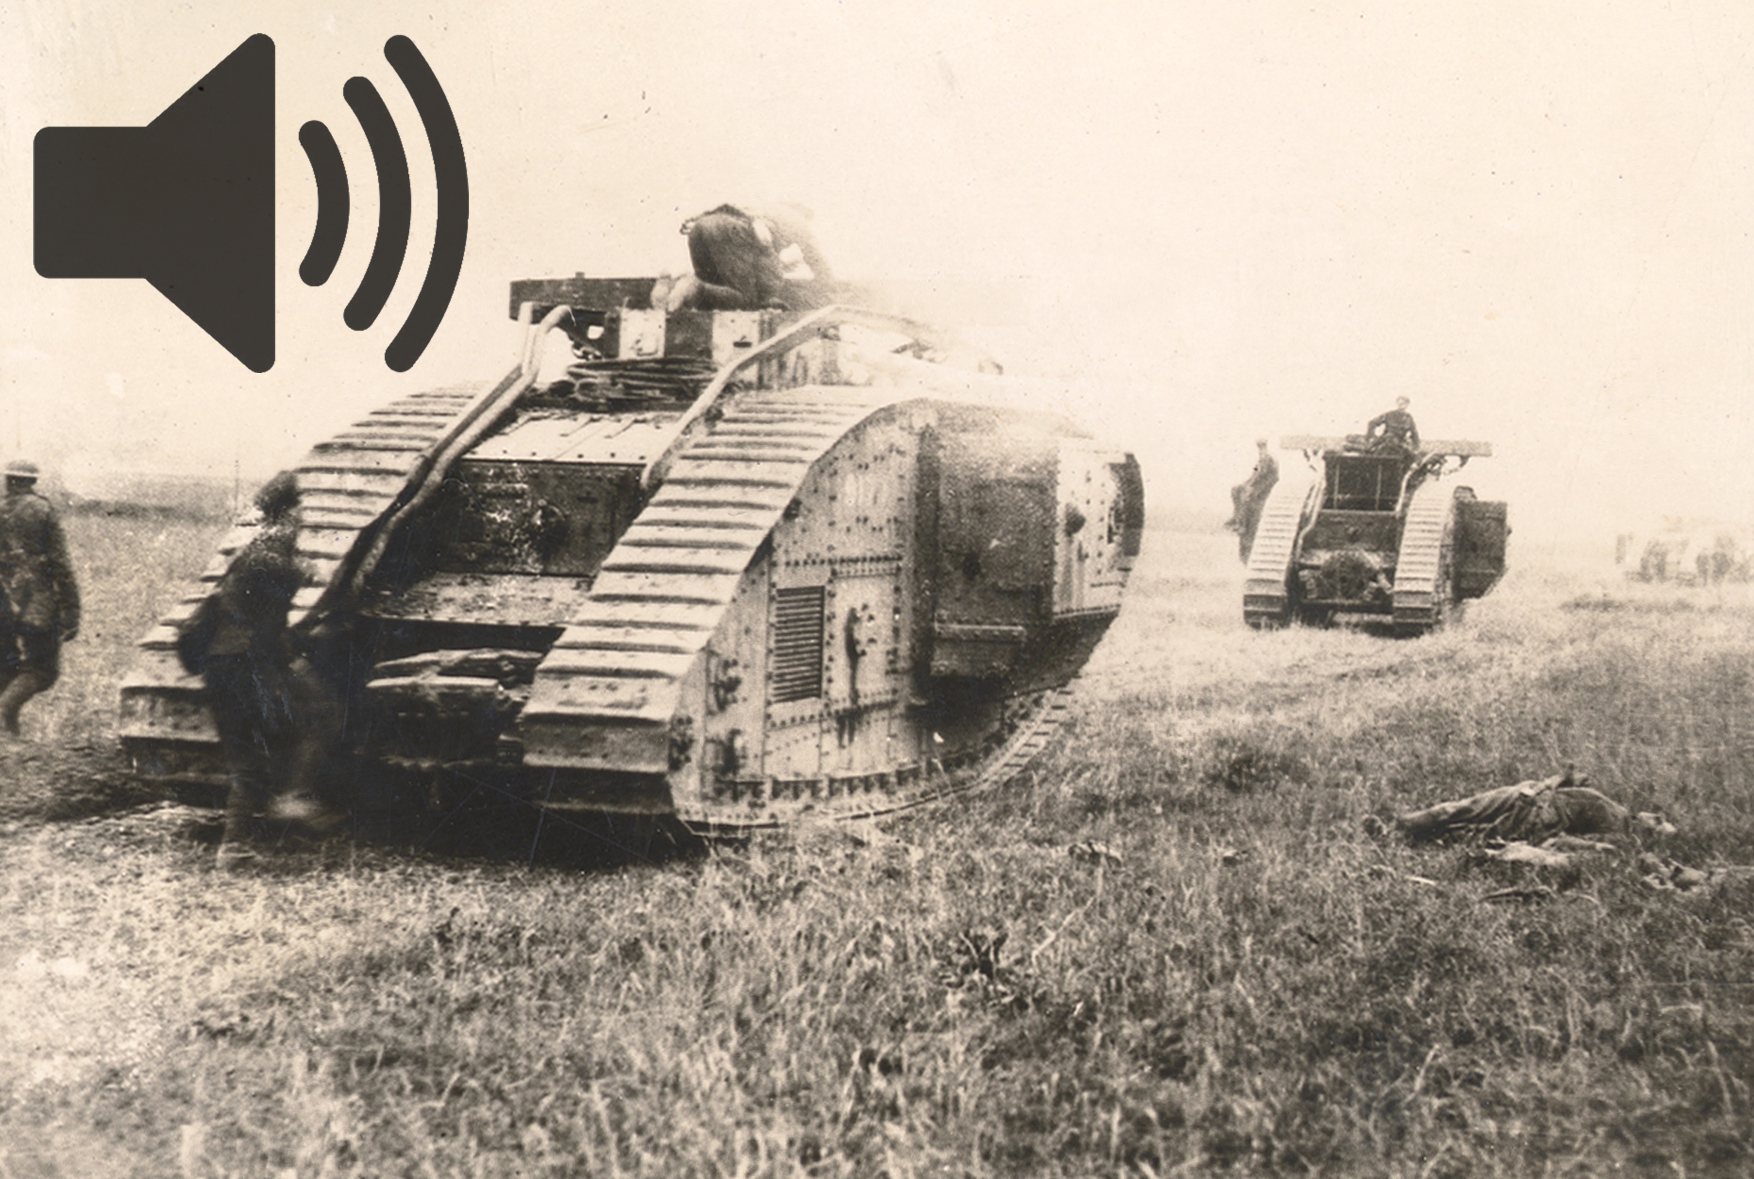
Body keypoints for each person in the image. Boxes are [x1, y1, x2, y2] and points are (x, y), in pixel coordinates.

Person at [183, 472, 342, 869]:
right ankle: (286, 801)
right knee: (318, 715)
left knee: (250, 752)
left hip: (221, 663)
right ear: (287, 515)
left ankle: (243, 837)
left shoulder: (251, 553)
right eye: (298, 512)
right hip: (244, 665)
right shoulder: (273, 560)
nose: (302, 521)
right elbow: (273, 621)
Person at [0, 459, 80, 736]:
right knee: (43, 670)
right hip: (35, 598)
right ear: (33, 481)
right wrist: (71, 609)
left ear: (7, 480)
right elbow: (61, 564)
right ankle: (5, 713)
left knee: (6, 665)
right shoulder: (43, 510)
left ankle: (9, 732)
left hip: (3, 598)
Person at [658, 203, 835, 313]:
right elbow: (818, 262)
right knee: (748, 299)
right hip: (733, 231)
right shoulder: (800, 223)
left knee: (717, 291)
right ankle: (695, 287)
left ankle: (673, 289)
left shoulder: (766, 208)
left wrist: (700, 219)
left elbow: (726, 208)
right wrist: (829, 295)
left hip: (701, 227)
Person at [1224, 439, 1279, 562]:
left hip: (1266, 483)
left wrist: (1249, 485)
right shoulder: (1262, 458)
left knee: (1246, 497)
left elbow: (1261, 474)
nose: (1260, 448)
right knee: (1236, 490)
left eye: (1261, 446)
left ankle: (1241, 523)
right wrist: (1246, 483)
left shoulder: (1267, 457)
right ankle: (1236, 517)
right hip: (1260, 482)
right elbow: (1254, 474)